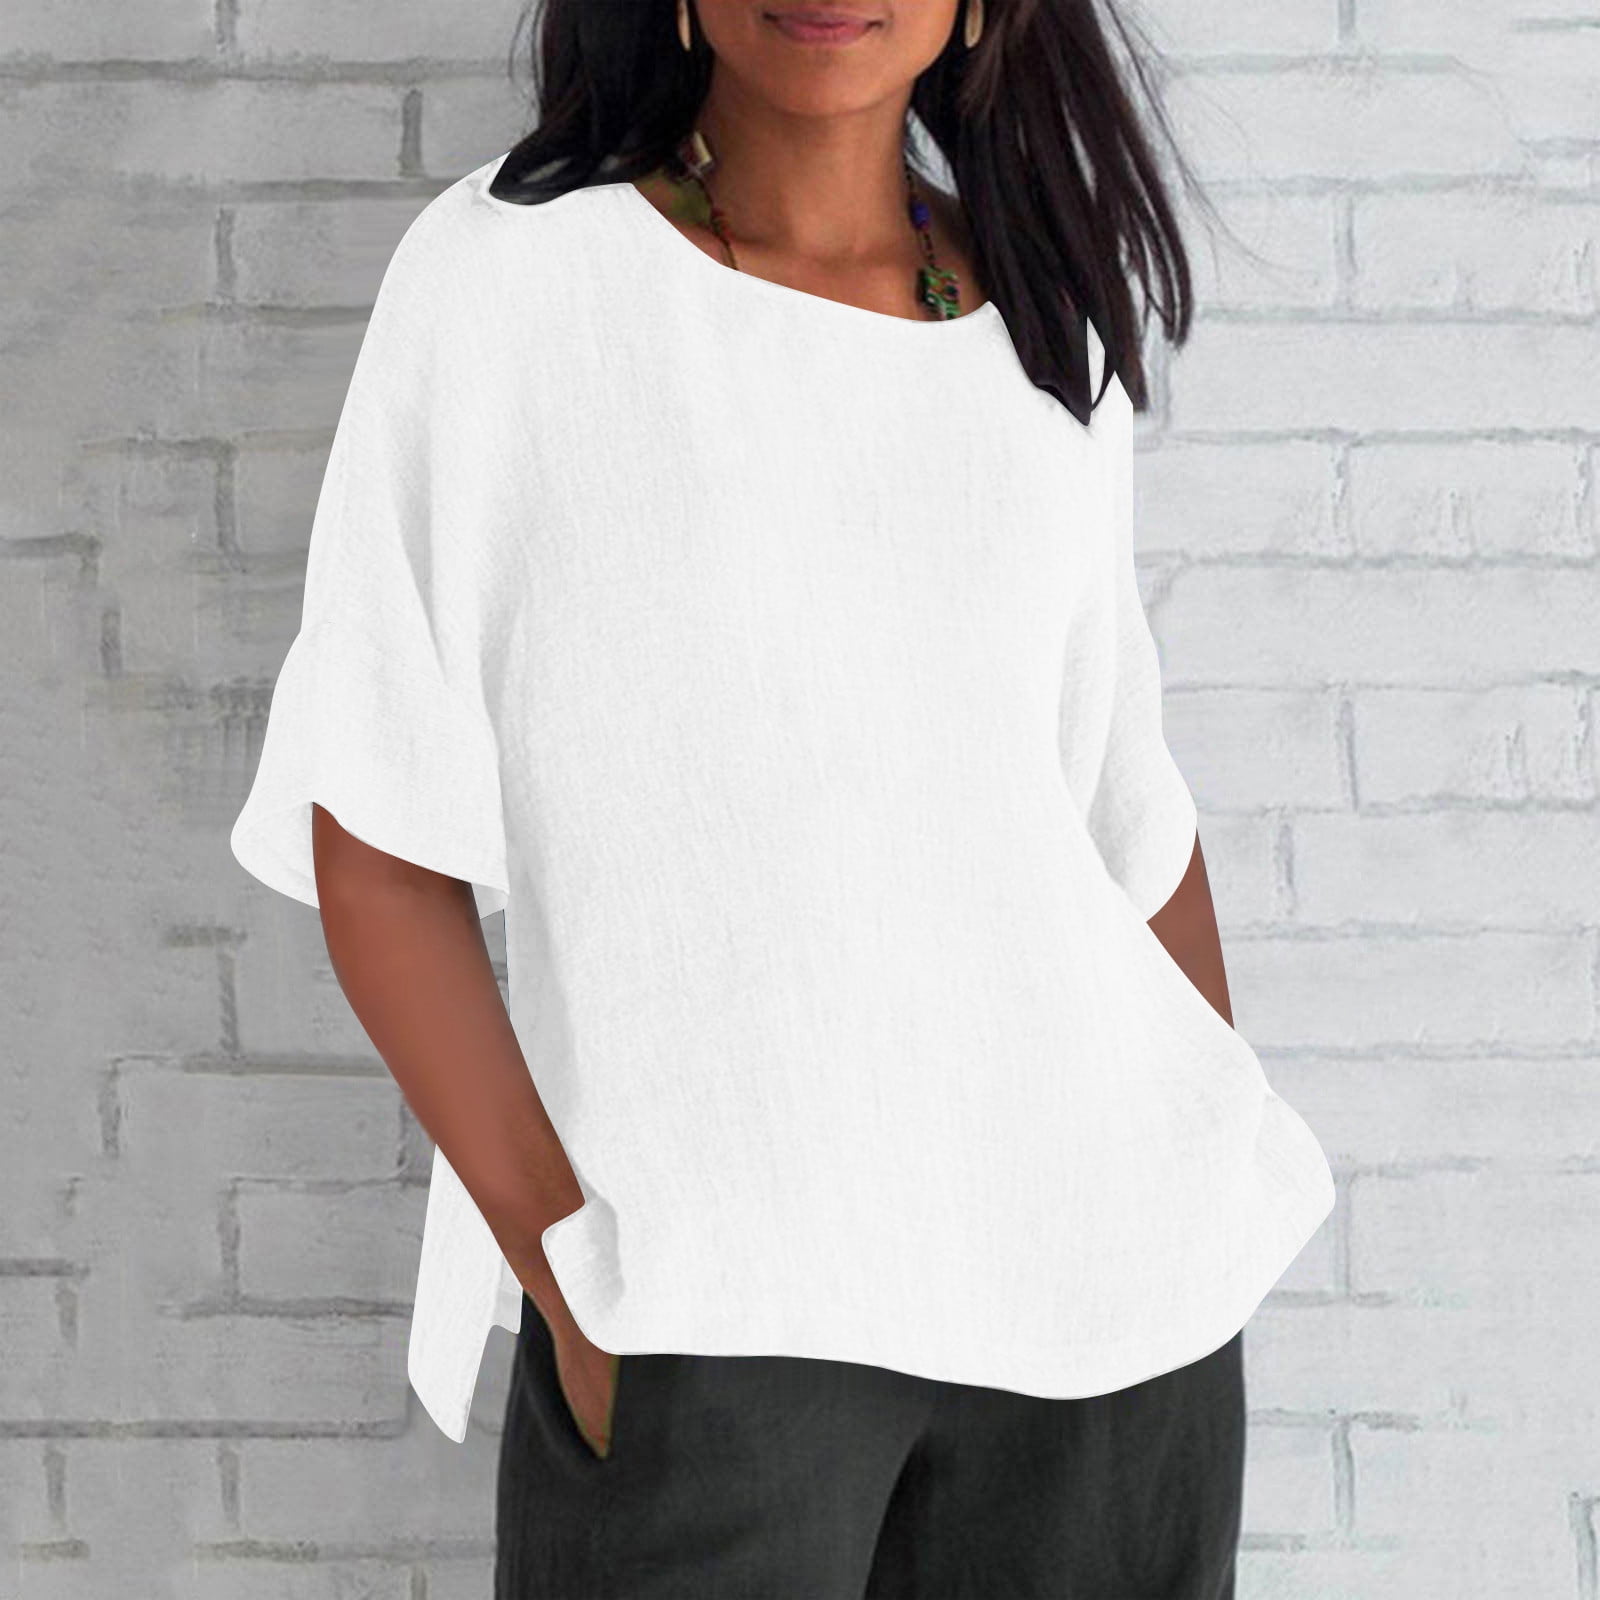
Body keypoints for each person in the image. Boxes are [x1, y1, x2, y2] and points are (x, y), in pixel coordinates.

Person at [229, 0, 1337, 1594]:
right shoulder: (515, 282)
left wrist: (1205, 1168)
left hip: (1110, 1315)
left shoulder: (1046, 324)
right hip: (715, 1326)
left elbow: (1120, 806)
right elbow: (376, 829)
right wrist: (574, 1279)